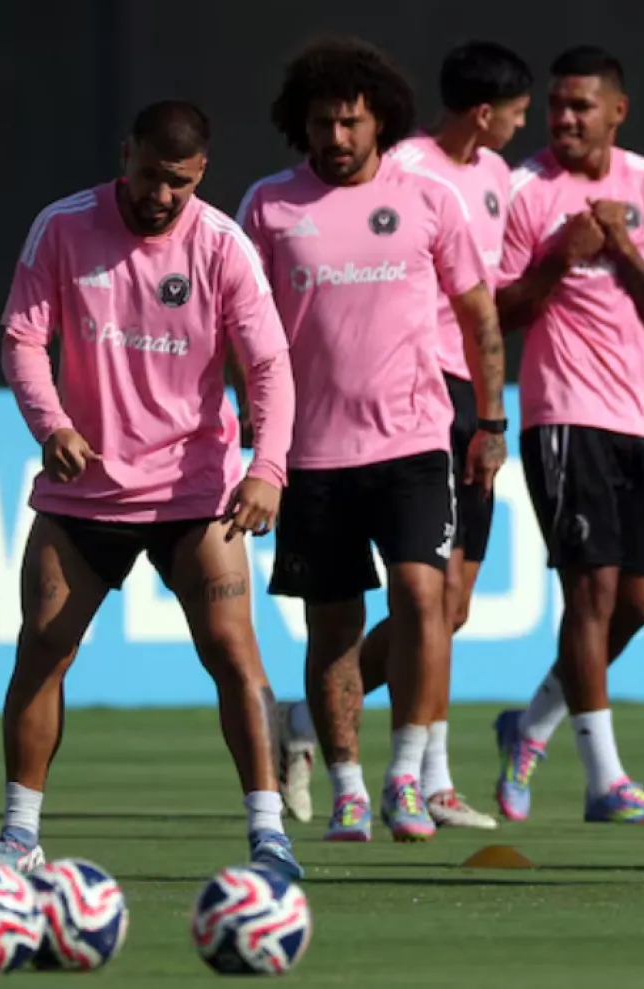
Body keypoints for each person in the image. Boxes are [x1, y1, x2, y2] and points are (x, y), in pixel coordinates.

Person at [0, 100, 303, 880]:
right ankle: (20, 834)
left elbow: (269, 366)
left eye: (181, 184)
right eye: (152, 175)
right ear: (126, 155)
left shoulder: (222, 243)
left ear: (201, 177)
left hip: (197, 491)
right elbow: (23, 338)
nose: (162, 196)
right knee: (43, 649)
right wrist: (49, 423)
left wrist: (268, 468)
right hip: (84, 489)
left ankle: (269, 836)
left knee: (232, 651)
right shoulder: (62, 226)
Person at [239, 36, 507, 843]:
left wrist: (490, 422)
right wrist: (255, 437)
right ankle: (348, 786)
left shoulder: (428, 199)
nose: (337, 138)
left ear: (380, 120)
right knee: (334, 630)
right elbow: (240, 331)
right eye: (323, 123)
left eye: (351, 122)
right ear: (302, 124)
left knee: (427, 598)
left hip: (415, 441)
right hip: (312, 453)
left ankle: (406, 776)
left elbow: (479, 316)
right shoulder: (268, 206)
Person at [491, 45, 644, 825]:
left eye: (582, 106)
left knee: (637, 605)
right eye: (557, 107)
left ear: (618, 111)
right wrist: (556, 258)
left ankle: (530, 723)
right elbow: (499, 311)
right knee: (591, 589)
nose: (567, 119)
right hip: (562, 410)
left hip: (640, 415)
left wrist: (622, 247)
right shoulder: (522, 190)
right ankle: (605, 779)